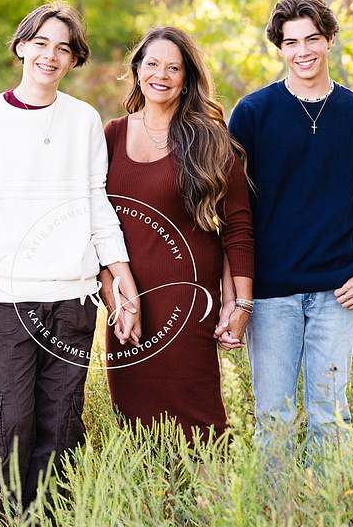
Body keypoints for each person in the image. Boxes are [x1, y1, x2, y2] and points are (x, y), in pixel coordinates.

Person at [0, 1, 141, 527]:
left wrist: (118, 270)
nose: (50, 55)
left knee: (60, 423)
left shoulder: (82, 120)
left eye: (63, 48)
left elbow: (96, 200)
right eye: (41, 43)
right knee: (11, 419)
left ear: (73, 58)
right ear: (21, 47)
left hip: (75, 300)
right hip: (9, 302)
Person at [228, 0, 353, 465]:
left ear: (329, 41)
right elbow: (232, 212)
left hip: (336, 294)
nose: (302, 51)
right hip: (270, 295)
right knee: (274, 420)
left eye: (311, 39)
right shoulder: (252, 114)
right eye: (290, 42)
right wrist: (235, 294)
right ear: (279, 48)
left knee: (329, 417)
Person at [99, 26, 253, 445]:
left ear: (187, 79)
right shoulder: (111, 135)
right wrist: (113, 297)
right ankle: (150, 512)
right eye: (152, 64)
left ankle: (212, 511)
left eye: (173, 67)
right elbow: (96, 224)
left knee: (201, 429)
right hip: (126, 309)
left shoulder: (211, 139)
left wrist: (240, 304)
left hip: (189, 309)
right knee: (135, 429)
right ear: (137, 70)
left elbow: (237, 229)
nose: (161, 75)